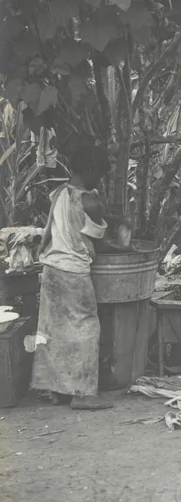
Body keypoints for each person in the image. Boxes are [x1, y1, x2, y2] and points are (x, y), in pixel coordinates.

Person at [31, 140, 114, 411]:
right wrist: (129, 246)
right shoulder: (90, 201)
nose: (98, 180)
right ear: (91, 170)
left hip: (51, 270)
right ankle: (83, 394)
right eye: (99, 174)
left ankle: (57, 391)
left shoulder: (58, 194)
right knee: (86, 329)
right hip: (74, 273)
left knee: (53, 332)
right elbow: (101, 245)